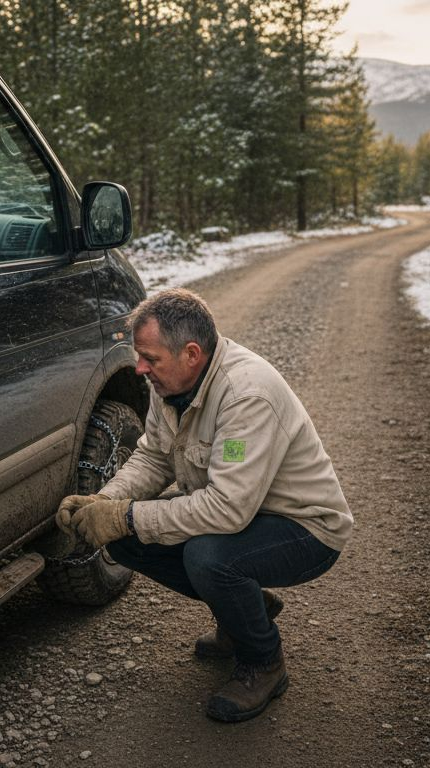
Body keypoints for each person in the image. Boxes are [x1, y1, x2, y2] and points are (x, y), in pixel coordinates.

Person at [58, 288, 353, 723]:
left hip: (305, 529)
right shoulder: (170, 383)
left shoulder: (245, 395)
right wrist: (106, 501)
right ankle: (245, 611)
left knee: (207, 556)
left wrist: (125, 517)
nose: (140, 368)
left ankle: (264, 661)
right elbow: (154, 457)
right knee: (126, 543)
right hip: (243, 514)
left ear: (192, 353)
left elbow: (226, 511)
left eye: (150, 358)